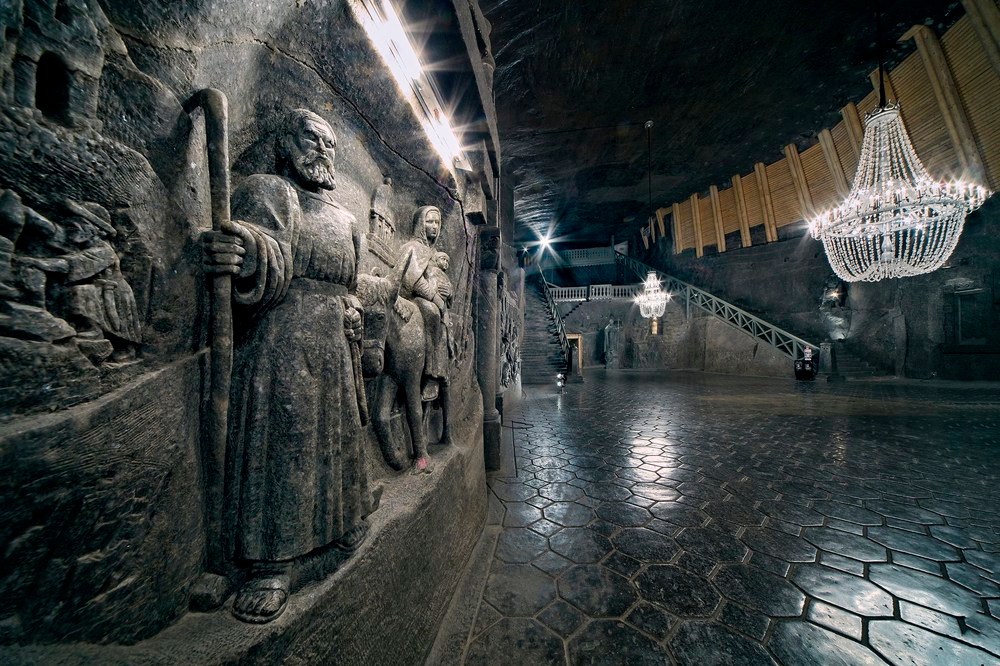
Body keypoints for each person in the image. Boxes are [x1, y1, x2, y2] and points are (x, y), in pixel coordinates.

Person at [202, 109, 372, 623]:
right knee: (288, 442)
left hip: (333, 342)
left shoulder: (345, 220)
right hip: (282, 341)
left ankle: (344, 519)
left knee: (338, 436)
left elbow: (351, 283)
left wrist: (353, 305)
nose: (322, 150)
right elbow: (264, 245)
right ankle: (271, 563)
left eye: (330, 143)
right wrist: (244, 252)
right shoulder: (271, 191)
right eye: (311, 138)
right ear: (285, 143)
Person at [398, 206, 452, 401]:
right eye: (430, 221)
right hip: (415, 297)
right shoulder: (412, 247)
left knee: (443, 321)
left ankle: (436, 374)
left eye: (437, 222)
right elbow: (412, 279)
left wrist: (446, 293)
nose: (434, 226)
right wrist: (435, 298)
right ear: (420, 224)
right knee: (432, 312)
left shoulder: (434, 253)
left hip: (434, 299)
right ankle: (430, 375)